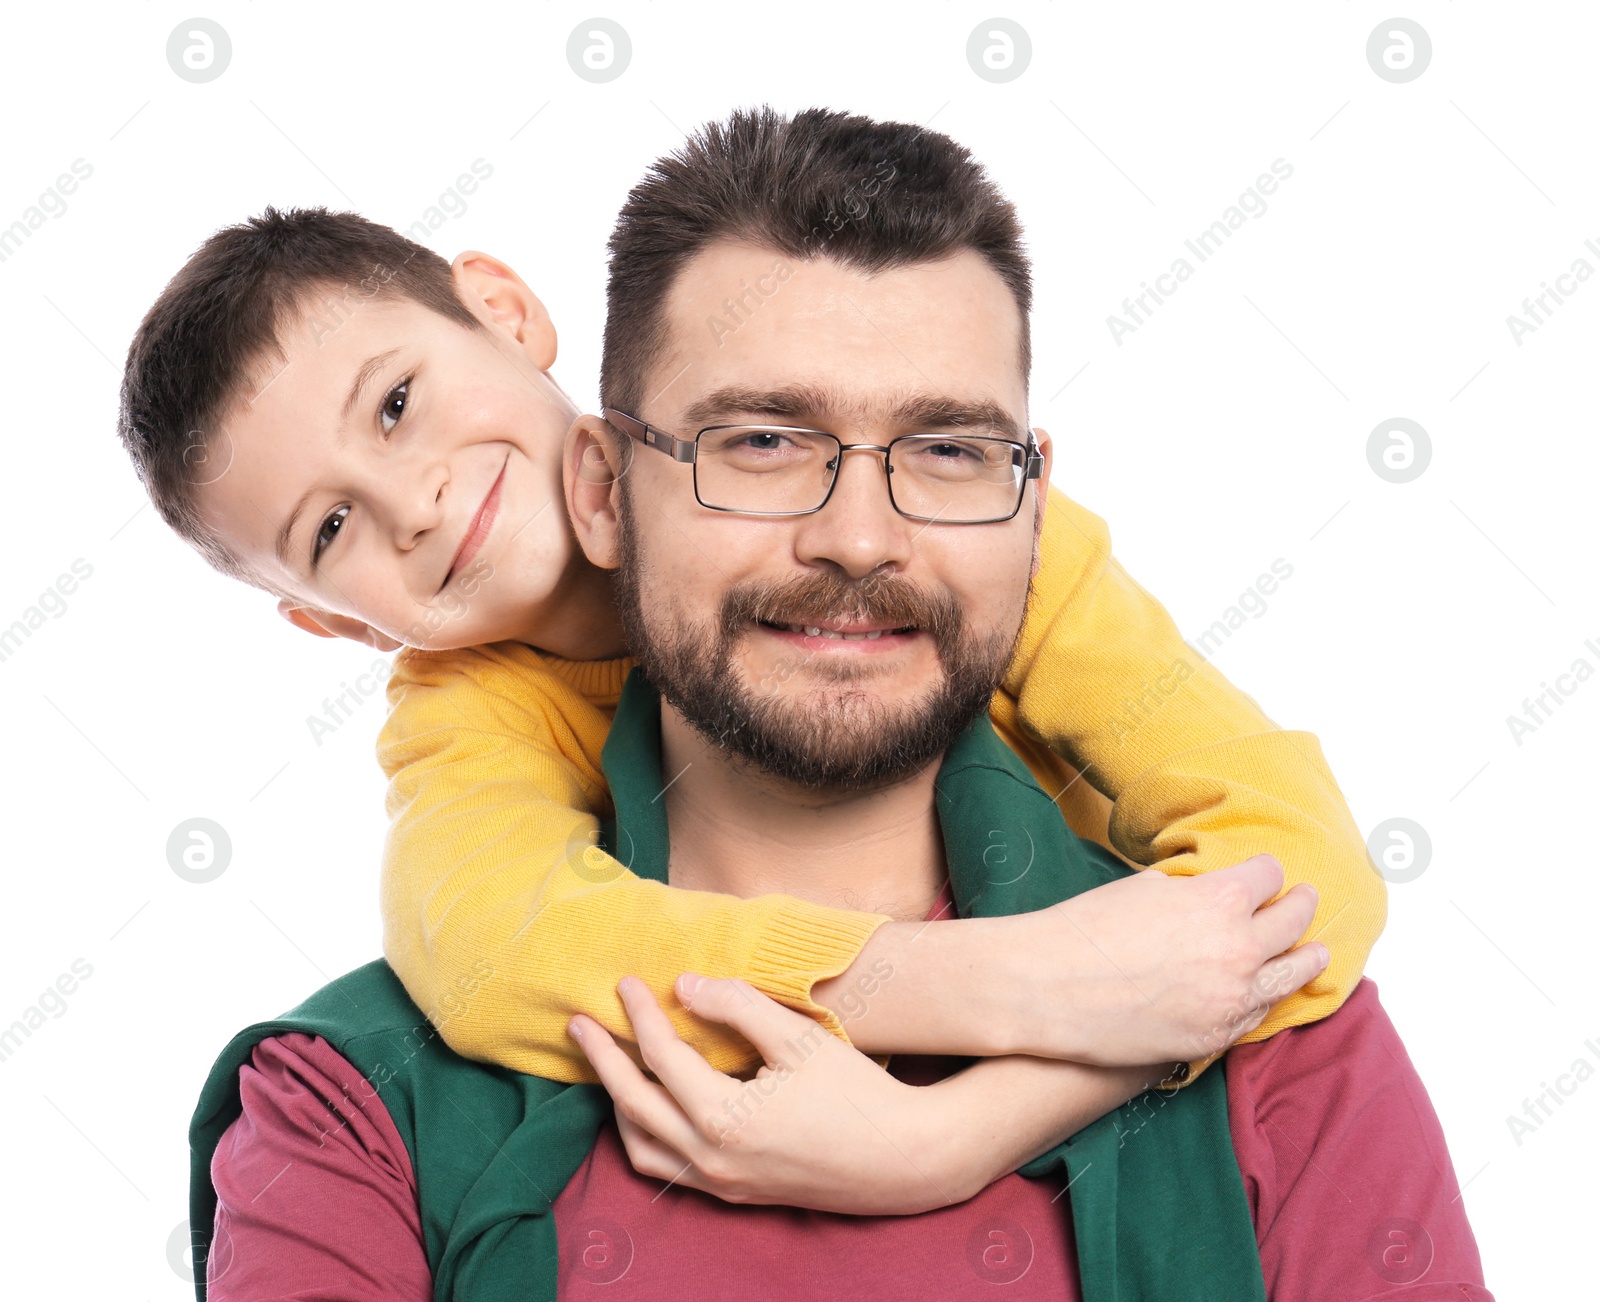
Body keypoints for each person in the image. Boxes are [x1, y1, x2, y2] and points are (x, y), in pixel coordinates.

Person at [172, 108, 1489, 1299]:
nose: (858, 535)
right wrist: (1004, 985)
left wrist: (957, 1130)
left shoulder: (1283, 1046)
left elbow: (1303, 852)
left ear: (506, 314)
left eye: (398, 402)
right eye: (333, 523)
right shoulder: (378, 1027)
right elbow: (494, 947)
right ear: (329, 619)